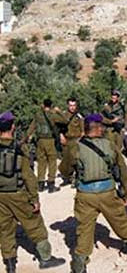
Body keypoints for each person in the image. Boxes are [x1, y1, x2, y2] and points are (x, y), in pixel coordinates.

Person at [59, 113, 127, 273]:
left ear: (85, 129)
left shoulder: (75, 147)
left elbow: (64, 170)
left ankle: (79, 263)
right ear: (99, 128)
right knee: (120, 220)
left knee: (84, 229)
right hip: (107, 192)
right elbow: (123, 172)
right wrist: (126, 194)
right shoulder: (110, 145)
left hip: (85, 195)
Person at [0, 111, 65, 272]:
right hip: (19, 194)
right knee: (35, 225)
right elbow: (29, 176)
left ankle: (10, 264)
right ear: (13, 127)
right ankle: (45, 258)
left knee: (5, 229)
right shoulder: (20, 147)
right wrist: (34, 198)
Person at [26, 99, 68, 193]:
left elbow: (31, 127)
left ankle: (40, 183)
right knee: (52, 161)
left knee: (41, 161)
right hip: (50, 140)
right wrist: (59, 111)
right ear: (51, 105)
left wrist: (26, 138)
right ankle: (51, 184)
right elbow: (65, 121)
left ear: (43, 105)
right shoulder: (53, 116)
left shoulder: (38, 115)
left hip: (40, 141)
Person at [59, 97, 84, 186]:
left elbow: (83, 130)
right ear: (67, 106)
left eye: (74, 105)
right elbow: (59, 127)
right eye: (70, 105)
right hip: (66, 140)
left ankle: (77, 178)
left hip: (75, 140)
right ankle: (66, 178)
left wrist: (80, 139)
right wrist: (61, 136)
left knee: (75, 160)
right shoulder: (64, 115)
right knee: (65, 160)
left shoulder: (79, 116)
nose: (72, 107)